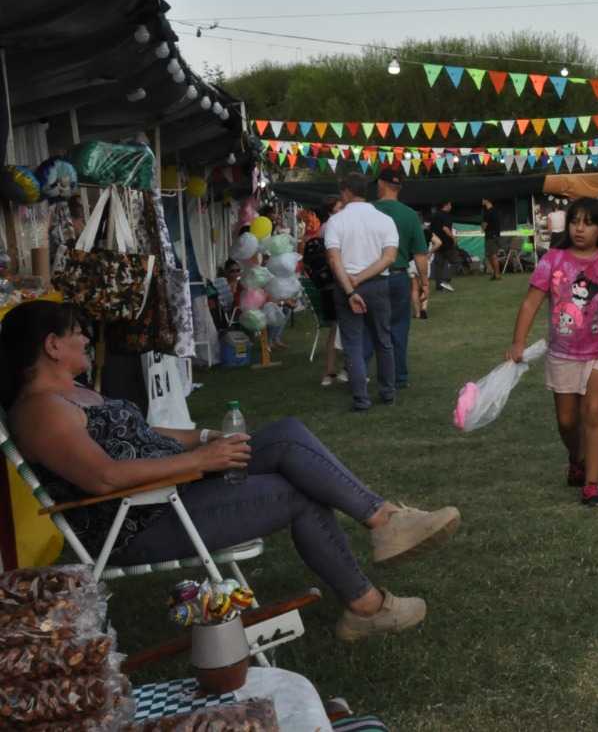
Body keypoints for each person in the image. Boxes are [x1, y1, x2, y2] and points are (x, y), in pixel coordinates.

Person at [1, 300, 461, 642]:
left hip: (173, 489)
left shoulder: (77, 393)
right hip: (141, 520)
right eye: (77, 333)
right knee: (297, 492)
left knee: (286, 435)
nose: (86, 339)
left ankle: (384, 523)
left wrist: (205, 438)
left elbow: (142, 431)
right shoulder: (41, 410)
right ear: (52, 345)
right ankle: (368, 601)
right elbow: (101, 477)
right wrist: (200, 461)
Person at [506, 197, 598, 508]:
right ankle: (577, 457)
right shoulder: (552, 260)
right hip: (563, 353)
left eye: (588, 223)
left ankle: (592, 485)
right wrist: (518, 342)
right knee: (567, 421)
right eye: (575, 221)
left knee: (593, 413)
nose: (580, 229)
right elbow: (530, 303)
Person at [322, 174, 399, 411]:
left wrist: (350, 287)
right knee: (383, 341)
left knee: (352, 344)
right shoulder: (385, 220)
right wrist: (363, 277)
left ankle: (361, 398)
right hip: (377, 284)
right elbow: (389, 257)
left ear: (346, 192)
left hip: (346, 285)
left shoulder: (336, 221)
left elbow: (334, 260)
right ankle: (388, 392)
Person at [369, 168, 430, 392]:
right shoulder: (409, 215)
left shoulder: (369, 211)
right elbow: (420, 255)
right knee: (398, 329)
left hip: (369, 277)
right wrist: (424, 283)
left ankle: (359, 375)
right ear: (399, 188)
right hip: (398, 277)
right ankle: (399, 377)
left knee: (368, 329)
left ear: (381, 184)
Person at [302, 197, 348, 387]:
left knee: (335, 329)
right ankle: (345, 369)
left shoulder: (324, 228)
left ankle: (330, 371)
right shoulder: (333, 228)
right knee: (345, 328)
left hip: (327, 286)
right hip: (338, 283)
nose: (344, 210)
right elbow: (335, 258)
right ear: (331, 211)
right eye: (340, 208)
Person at [428, 201, 457, 293]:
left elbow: (430, 230)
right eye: (450, 204)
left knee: (439, 266)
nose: (451, 206)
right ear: (446, 205)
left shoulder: (434, 216)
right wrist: (453, 238)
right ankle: (446, 280)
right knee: (456, 261)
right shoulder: (446, 216)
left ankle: (439, 287)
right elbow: (445, 228)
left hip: (437, 244)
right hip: (447, 244)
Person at [482, 198, 504, 281]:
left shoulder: (488, 212)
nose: (482, 201)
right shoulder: (495, 211)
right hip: (496, 236)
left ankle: (497, 274)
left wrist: (482, 226)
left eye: (483, 199)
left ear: (487, 200)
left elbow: (484, 226)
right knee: (492, 255)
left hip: (490, 236)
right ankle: (495, 273)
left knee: (493, 256)